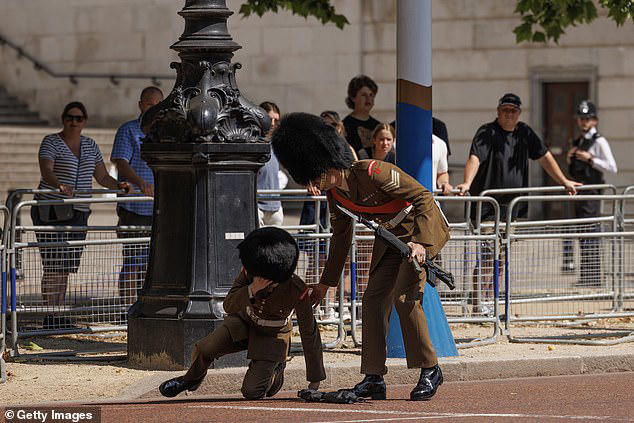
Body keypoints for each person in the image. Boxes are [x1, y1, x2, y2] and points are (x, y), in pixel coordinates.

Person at [272, 113, 450, 401]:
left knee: (406, 299)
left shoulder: (372, 171)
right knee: (373, 300)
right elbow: (340, 239)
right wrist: (325, 284)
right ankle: (373, 376)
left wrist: (421, 244)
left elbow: (423, 198)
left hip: (420, 231)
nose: (317, 182)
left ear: (329, 164)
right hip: (391, 240)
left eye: (317, 175)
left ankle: (430, 369)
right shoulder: (335, 195)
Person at [159, 227, 325, 399]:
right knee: (204, 348)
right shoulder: (249, 272)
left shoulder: (296, 289)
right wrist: (251, 289)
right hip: (244, 322)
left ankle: (276, 368)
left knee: (252, 392)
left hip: (272, 335)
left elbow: (309, 332)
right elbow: (229, 305)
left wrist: (314, 380)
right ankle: (190, 379)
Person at [456, 93, 580, 315]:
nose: (508, 114)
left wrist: (563, 181)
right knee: (487, 256)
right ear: (498, 111)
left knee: (501, 257)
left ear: (519, 113)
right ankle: (478, 302)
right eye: (505, 110)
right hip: (488, 207)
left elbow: (545, 157)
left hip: (512, 209)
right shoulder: (487, 132)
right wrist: (466, 182)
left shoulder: (525, 133)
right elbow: (475, 157)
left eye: (513, 111)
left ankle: (492, 300)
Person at [32, 101, 130, 327]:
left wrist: (119, 186)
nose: (73, 122)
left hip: (79, 210)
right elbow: (46, 170)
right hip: (52, 209)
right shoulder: (51, 142)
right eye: (70, 117)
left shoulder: (90, 145)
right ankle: (50, 314)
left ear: (84, 121)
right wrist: (59, 185)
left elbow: (102, 177)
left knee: (66, 265)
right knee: (53, 263)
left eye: (78, 118)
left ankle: (58, 312)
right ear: (62, 118)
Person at [111, 86, 163, 305]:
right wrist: (142, 183)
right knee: (133, 260)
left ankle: (145, 305)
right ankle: (127, 308)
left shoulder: (165, 132)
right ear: (140, 105)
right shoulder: (129, 130)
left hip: (161, 208)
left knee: (154, 263)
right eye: (149, 104)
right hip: (136, 208)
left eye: (157, 104)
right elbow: (121, 162)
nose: (153, 108)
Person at [564, 100, 617, 285]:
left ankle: (594, 277)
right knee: (582, 233)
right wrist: (570, 159)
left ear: (594, 120)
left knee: (591, 232)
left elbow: (612, 167)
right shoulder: (578, 141)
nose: (583, 122)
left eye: (587, 118)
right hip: (579, 192)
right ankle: (586, 276)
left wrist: (591, 159)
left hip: (592, 192)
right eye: (580, 118)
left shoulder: (599, 141)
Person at [257, 101, 284, 227]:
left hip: (275, 207)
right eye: (269, 119)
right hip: (258, 206)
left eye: (276, 120)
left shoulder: (277, 144)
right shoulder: (253, 143)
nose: (273, 124)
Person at [342, 75, 380, 158]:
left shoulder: (378, 126)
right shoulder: (345, 126)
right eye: (363, 95)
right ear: (353, 98)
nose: (368, 99)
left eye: (371, 95)